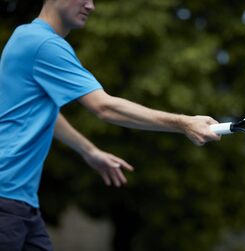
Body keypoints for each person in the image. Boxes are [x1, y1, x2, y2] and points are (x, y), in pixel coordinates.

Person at [0, 0, 221, 250]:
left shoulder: (24, 36)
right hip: (6, 200)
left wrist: (89, 151)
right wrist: (183, 122)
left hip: (20, 201)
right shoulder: (45, 44)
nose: (91, 6)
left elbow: (43, 114)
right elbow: (104, 107)